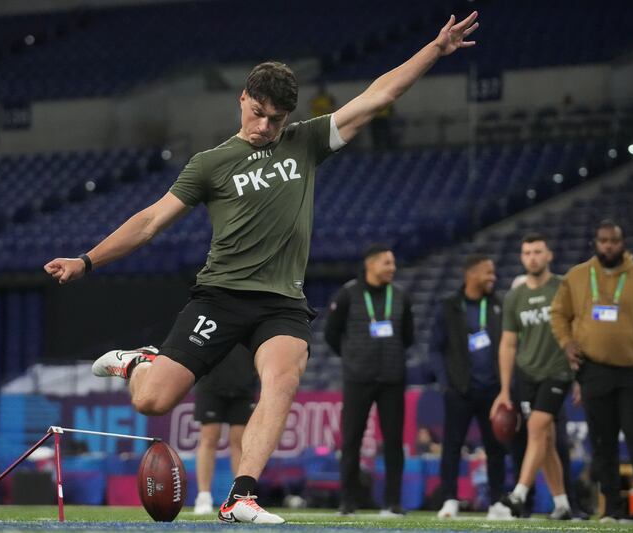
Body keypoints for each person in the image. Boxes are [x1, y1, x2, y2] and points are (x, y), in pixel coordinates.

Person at [43, 12, 480, 524]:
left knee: (284, 378)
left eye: (276, 118)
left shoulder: (306, 141)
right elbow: (149, 222)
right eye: (257, 113)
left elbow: (378, 97)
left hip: (282, 301)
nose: (265, 127)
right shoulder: (210, 163)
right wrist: (87, 260)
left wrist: (433, 49)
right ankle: (140, 362)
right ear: (242, 100)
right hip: (221, 296)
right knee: (152, 402)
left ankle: (241, 496)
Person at [550, 220, 633, 524]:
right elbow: (558, 314)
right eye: (603, 241)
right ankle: (611, 510)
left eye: (613, 241)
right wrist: (566, 343)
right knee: (602, 444)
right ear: (595, 243)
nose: (608, 246)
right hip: (594, 371)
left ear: (624, 243)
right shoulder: (577, 277)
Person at [324, 244, 414, 516]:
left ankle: (392, 502)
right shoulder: (349, 293)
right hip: (358, 378)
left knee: (394, 441)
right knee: (351, 440)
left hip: (392, 378)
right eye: (387, 263)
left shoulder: (400, 296)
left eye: (393, 263)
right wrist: (353, 358)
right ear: (371, 264)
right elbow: (331, 333)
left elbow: (408, 336)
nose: (393, 268)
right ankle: (348, 501)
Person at [490, 233, 575, 520]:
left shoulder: (563, 288)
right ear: (521, 257)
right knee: (546, 439)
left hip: (559, 370)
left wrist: (582, 376)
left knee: (536, 428)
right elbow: (508, 343)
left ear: (549, 255)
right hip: (528, 374)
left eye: (538, 251)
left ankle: (518, 495)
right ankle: (562, 504)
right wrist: (504, 389)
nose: (532, 258)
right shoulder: (515, 296)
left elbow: (580, 331)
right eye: (527, 253)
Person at [429, 254, 506, 519]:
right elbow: (435, 349)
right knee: (452, 446)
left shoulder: (498, 305)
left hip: (492, 390)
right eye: (488, 273)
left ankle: (497, 501)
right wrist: (445, 383)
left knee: (496, 447)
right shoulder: (449, 307)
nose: (492, 278)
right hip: (459, 390)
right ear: (471, 275)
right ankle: (449, 499)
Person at [193, 345, 257, 514]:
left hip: (244, 386)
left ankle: (241, 497)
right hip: (211, 385)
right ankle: (203, 496)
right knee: (208, 439)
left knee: (240, 443)